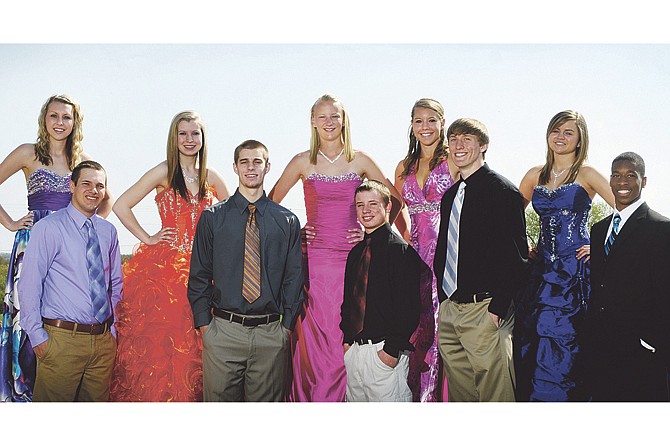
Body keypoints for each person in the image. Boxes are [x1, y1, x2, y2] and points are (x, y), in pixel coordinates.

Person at [269, 93, 402, 402]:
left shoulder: (361, 160)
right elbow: (270, 203)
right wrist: (294, 233)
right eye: (322, 117)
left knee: (347, 330)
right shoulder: (303, 161)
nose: (329, 122)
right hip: (314, 263)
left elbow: (393, 200)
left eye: (335, 116)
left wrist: (374, 232)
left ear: (344, 121)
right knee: (317, 337)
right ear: (313, 122)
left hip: (354, 260)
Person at [109, 111, 229, 402]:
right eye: (183, 134)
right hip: (165, 275)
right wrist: (149, 237)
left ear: (203, 138)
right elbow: (121, 205)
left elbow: (234, 218)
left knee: (199, 348)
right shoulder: (163, 171)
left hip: (206, 269)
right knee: (164, 351)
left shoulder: (211, 176)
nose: (189, 140)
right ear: (174, 138)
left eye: (195, 133)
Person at [0, 94, 112, 402]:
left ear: (75, 122)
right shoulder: (27, 153)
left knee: (61, 313)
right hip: (34, 240)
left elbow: (108, 197)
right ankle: (25, 391)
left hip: (70, 249)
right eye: (54, 116)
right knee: (29, 316)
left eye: (66, 117)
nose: (60, 123)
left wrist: (88, 228)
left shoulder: (82, 160)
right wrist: (10, 223)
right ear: (44, 119)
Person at [188, 139, 303, 402]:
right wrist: (205, 325)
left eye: (257, 162)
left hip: (271, 334)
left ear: (267, 167)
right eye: (244, 162)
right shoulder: (212, 218)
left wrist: (285, 327)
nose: (251, 168)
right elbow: (199, 276)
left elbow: (294, 278)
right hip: (223, 332)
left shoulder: (287, 221)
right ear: (235, 167)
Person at [515, 110, 614, 402]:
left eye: (569, 132)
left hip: (575, 271)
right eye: (556, 130)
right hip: (541, 271)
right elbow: (511, 219)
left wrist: (599, 246)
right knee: (535, 337)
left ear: (580, 138)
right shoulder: (534, 175)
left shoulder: (587, 174)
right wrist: (524, 248)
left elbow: (625, 211)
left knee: (569, 339)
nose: (561, 137)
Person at [433, 118, 528, 402]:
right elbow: (445, 249)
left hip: (485, 311)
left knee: (495, 397)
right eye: (453, 139)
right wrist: (444, 299)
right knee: (463, 399)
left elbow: (516, 258)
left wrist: (497, 309)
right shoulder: (450, 195)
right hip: (451, 310)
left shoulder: (502, 191)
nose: (458, 145)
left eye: (467, 139)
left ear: (483, 145)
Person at [18, 160, 122, 401]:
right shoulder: (48, 228)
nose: (93, 191)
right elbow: (30, 283)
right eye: (86, 183)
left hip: (103, 343)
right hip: (61, 342)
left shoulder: (109, 232)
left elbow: (115, 285)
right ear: (72, 186)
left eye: (99, 186)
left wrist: (113, 332)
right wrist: (37, 337)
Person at [585, 152, 670, 401]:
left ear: (643, 181)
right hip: (600, 350)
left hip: (641, 353)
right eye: (616, 175)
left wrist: (651, 342)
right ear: (610, 181)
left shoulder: (661, 229)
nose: (622, 182)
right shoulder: (599, 230)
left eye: (630, 176)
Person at [393, 98, 458, 402]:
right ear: (412, 125)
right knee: (417, 324)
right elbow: (393, 204)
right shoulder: (404, 167)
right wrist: (406, 235)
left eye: (431, 120)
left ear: (442, 123)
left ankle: (439, 398)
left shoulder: (454, 160)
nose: (425, 127)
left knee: (440, 324)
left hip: (448, 253)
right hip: (414, 255)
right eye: (419, 121)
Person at [340, 180, 421, 402]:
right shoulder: (355, 253)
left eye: (373, 204)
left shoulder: (401, 252)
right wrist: (347, 342)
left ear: (387, 207)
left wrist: (391, 352)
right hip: (355, 353)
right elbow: (348, 302)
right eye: (360, 205)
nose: (366, 210)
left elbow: (409, 308)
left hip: (384, 355)